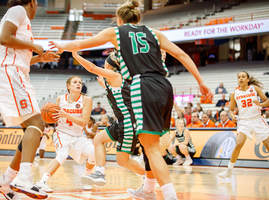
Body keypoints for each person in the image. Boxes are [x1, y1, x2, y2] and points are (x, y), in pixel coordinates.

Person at [48, 1, 212, 199]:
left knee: (150, 148)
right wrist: (201, 82)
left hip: (142, 85)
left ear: (119, 19)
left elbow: (82, 44)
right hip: (165, 86)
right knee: (149, 145)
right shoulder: (154, 33)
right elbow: (182, 54)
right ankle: (149, 189)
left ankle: (170, 196)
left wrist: (62, 46)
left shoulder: (116, 32)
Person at [0, 0, 60, 199]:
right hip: (10, 72)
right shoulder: (18, 10)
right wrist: (34, 45)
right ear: (33, 2)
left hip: (17, 72)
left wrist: (39, 58)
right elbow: (5, 38)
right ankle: (23, 178)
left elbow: (19, 55)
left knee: (32, 132)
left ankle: (5, 181)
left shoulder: (22, 18)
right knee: (37, 123)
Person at [72, 51, 145, 187]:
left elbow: (92, 68)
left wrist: (76, 56)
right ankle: (99, 171)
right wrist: (104, 86)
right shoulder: (113, 80)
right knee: (98, 139)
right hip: (121, 121)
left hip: (128, 123)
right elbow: (119, 92)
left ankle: (149, 178)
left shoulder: (114, 75)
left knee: (122, 161)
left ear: (107, 64)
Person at [36, 76, 95, 191]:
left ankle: (85, 178)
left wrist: (66, 115)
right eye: (75, 82)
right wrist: (48, 117)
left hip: (78, 137)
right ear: (68, 86)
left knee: (95, 153)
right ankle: (42, 182)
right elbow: (54, 117)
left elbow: (83, 122)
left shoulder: (86, 100)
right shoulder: (60, 99)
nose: (78, 84)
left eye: (80, 82)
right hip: (62, 133)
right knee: (62, 155)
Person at [218, 71, 269, 179]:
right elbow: (231, 110)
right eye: (239, 77)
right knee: (238, 144)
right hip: (244, 122)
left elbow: (267, 101)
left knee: (268, 146)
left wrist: (260, 104)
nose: (240, 78)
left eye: (243, 77)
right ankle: (229, 170)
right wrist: (233, 115)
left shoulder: (255, 89)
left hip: (257, 120)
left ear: (247, 79)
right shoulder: (234, 94)